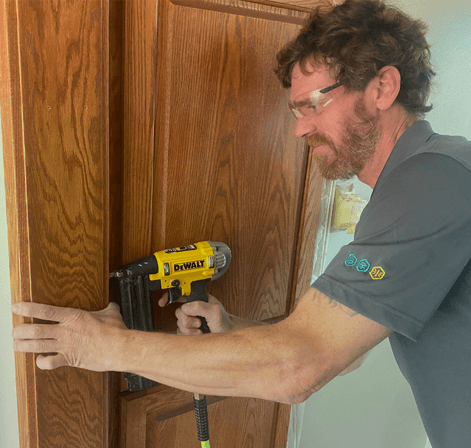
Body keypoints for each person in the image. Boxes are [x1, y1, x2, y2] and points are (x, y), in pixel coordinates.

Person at [11, 1, 471, 446]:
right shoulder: (425, 179)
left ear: (382, 87)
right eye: (296, 111)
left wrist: (98, 347)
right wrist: (241, 331)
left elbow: (298, 368)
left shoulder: (431, 181)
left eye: (313, 104)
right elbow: (347, 350)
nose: (299, 129)